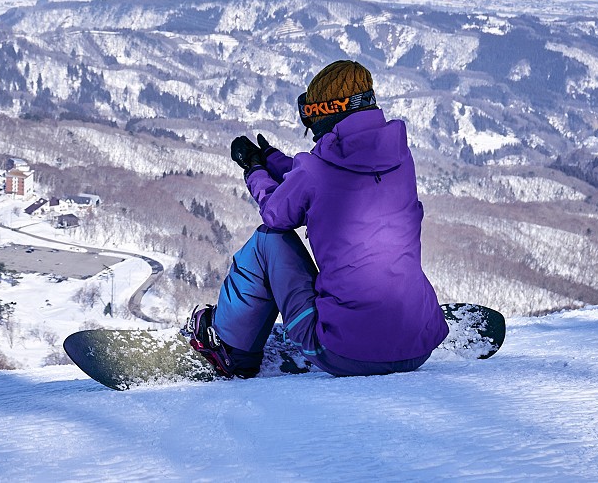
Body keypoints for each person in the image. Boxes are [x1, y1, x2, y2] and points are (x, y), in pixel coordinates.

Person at [184, 59, 448, 378]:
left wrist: (253, 169)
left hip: (345, 351)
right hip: (417, 346)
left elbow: (276, 212)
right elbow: (321, 177)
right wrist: (271, 158)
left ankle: (229, 347)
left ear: (326, 113)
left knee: (269, 238)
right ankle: (392, 325)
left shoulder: (315, 172)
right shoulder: (400, 159)